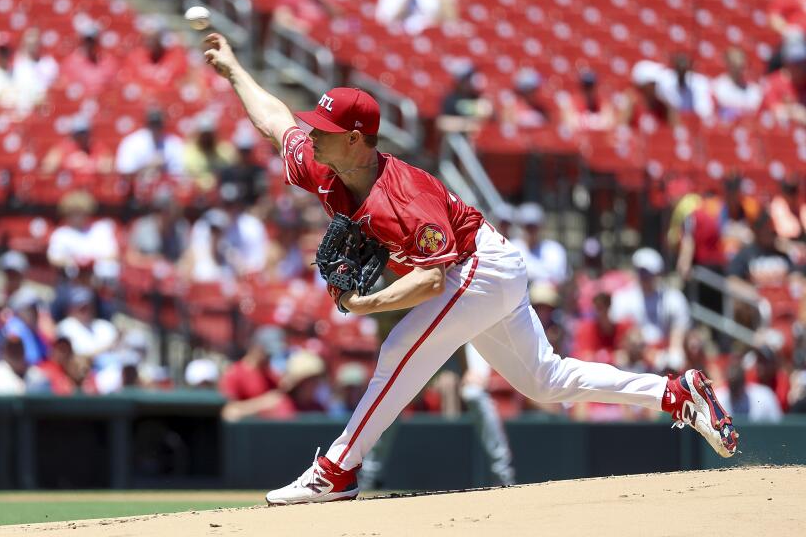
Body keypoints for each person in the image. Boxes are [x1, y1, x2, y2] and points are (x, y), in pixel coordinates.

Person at [203, 31, 738, 505]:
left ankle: (335, 470)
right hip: (481, 267)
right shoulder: (322, 163)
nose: (312, 133)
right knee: (545, 381)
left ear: (357, 140)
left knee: (399, 349)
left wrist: (366, 303)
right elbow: (275, 122)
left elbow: (433, 280)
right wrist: (233, 71)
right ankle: (675, 392)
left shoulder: (404, 196)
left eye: (324, 127)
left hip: (479, 265)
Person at [610, 248, 691, 370]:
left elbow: (678, 337)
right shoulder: (622, 297)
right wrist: (645, 352)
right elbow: (622, 336)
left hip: (663, 354)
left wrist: (670, 354)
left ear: (658, 273)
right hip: (632, 356)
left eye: (648, 273)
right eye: (641, 272)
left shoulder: (674, 298)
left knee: (676, 360)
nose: (644, 277)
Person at [47, 191, 119, 270]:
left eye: (80, 213)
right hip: (71, 278)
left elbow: (113, 255)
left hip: (99, 278)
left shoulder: (101, 229)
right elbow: (53, 259)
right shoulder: (60, 234)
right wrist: (74, 261)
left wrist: (91, 260)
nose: (77, 217)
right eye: (73, 213)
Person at [126, 186, 191, 267]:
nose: (162, 214)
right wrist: (152, 261)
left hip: (172, 273)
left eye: (167, 209)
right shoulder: (142, 226)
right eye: (159, 209)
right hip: (146, 273)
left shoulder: (181, 228)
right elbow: (130, 257)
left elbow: (188, 258)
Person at [115, 108, 185, 176]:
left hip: (167, 186)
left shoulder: (174, 143)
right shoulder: (131, 143)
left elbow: (181, 173)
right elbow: (124, 172)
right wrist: (150, 167)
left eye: (158, 124)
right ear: (146, 124)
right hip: (138, 186)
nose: (155, 127)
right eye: (152, 124)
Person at [511, 203, 568, 285]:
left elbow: (558, 278)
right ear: (521, 227)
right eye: (528, 227)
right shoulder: (511, 247)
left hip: (547, 296)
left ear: (542, 227)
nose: (531, 231)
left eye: (534, 227)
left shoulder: (554, 250)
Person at [54, 286, 118, 360]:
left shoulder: (104, 325)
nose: (86, 310)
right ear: (70, 308)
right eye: (81, 307)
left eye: (88, 306)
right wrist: (107, 347)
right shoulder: (66, 326)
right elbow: (79, 355)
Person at [59, 22, 118, 97]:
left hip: (102, 102)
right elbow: (65, 85)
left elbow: (113, 86)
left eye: (93, 41)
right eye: (87, 41)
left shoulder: (108, 61)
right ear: (81, 41)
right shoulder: (71, 62)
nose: (90, 44)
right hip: (79, 102)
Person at [217, 123, 267, 206]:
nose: (244, 154)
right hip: (231, 211)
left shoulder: (258, 171)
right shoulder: (226, 172)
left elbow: (262, 194)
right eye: (242, 151)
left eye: (247, 151)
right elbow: (221, 196)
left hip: (252, 210)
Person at [42, 116, 113, 174]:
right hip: (69, 188)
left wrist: (89, 164)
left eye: (84, 133)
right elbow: (47, 168)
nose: (82, 137)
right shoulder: (63, 147)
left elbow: (109, 167)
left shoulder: (97, 146)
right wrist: (69, 163)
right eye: (78, 134)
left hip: (92, 188)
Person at [183, 114, 237, 190]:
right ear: (198, 134)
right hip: (196, 192)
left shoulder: (225, 151)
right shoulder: (189, 151)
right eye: (204, 134)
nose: (206, 137)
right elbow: (188, 177)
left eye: (209, 134)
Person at [375, 0, 444, 35]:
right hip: (397, 33)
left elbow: (438, 20)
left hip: (424, 33)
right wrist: (407, 0)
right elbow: (385, 21)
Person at [438, 61, 493, 134]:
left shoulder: (478, 97)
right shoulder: (451, 99)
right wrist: (467, 125)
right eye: (467, 78)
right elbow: (442, 123)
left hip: (480, 139)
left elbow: (491, 117)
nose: (470, 81)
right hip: (458, 137)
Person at [272, 0, 339, 36]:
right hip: (299, 38)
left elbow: (338, 16)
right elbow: (281, 17)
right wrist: (297, 25)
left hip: (320, 39)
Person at [763, 36, 806, 126]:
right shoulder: (773, 82)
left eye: (803, 62)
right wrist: (794, 112)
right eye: (796, 63)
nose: (801, 67)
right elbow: (772, 111)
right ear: (787, 63)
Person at [657, 53, 714, 121]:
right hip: (674, 119)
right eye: (679, 67)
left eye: (684, 67)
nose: (682, 70)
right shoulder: (665, 80)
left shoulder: (699, 82)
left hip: (694, 120)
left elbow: (705, 109)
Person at [12, 27, 58, 110]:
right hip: (26, 105)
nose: (33, 47)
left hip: (46, 104)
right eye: (30, 44)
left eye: (35, 43)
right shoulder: (18, 65)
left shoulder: (49, 63)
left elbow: (54, 85)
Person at [711, 47, 762, 122]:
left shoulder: (754, 89)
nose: (739, 70)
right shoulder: (718, 86)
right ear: (728, 64)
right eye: (736, 66)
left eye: (742, 66)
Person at [621, 60, 674, 128]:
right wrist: (629, 106)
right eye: (654, 83)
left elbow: (675, 132)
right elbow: (621, 129)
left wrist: (669, 104)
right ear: (644, 85)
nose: (657, 86)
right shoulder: (632, 103)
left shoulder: (663, 106)